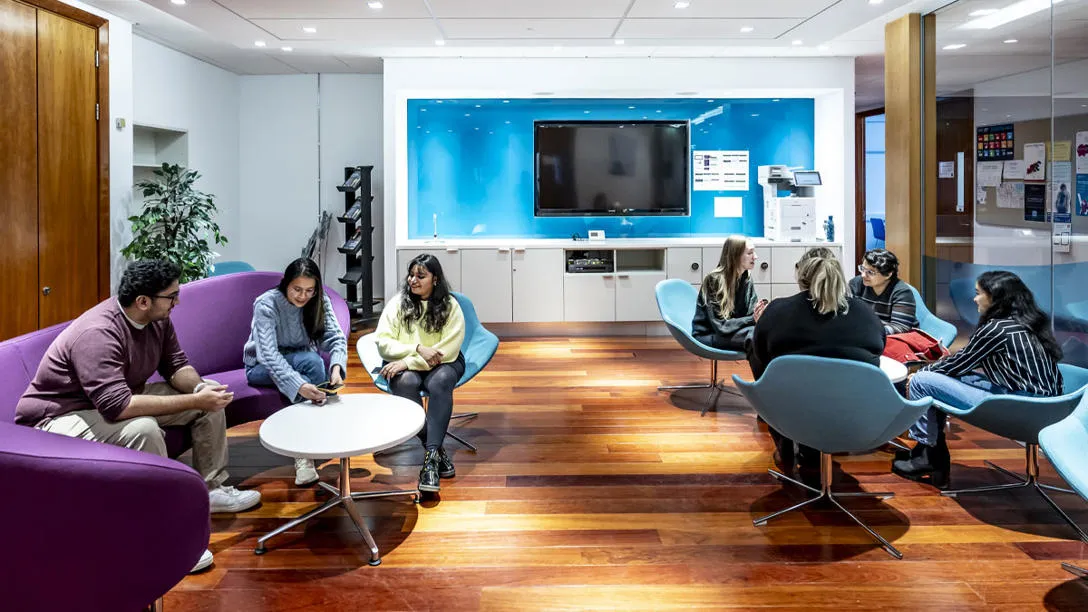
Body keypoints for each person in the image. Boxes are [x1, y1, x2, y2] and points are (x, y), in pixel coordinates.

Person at [16, 259, 261, 574]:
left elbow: (176, 365)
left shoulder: (157, 320)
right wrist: (194, 398)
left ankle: (213, 489)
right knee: (142, 429)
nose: (178, 302)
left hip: (113, 399)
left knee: (209, 395)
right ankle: (164, 530)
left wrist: (200, 390)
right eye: (171, 296)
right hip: (58, 417)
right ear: (144, 301)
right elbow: (117, 407)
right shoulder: (98, 333)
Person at [893, 271, 1063, 488]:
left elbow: (959, 363)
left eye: (978, 293)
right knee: (946, 377)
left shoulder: (996, 328)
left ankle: (927, 454)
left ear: (996, 297)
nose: (974, 299)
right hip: (1049, 408)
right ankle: (931, 455)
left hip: (1017, 406)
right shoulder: (1029, 323)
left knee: (923, 381)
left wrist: (920, 373)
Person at [748, 248, 886, 471]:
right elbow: (878, 351)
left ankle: (784, 439)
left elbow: (764, 357)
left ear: (801, 275)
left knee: (753, 346)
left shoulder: (778, 311)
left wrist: (762, 326)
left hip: (793, 408)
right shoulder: (865, 313)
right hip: (853, 410)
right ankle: (816, 450)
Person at [243, 257, 348, 486]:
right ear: (285, 284)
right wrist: (299, 385)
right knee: (312, 362)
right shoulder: (267, 303)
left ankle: (314, 438)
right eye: (297, 289)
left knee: (314, 362)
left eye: (309, 290)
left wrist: (337, 367)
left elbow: (335, 337)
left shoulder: (319, 301)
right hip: (260, 367)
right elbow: (267, 355)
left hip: (301, 360)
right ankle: (306, 452)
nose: (303, 296)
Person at [375, 254, 466, 494]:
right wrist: (416, 350)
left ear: (435, 279)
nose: (413, 280)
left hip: (444, 362)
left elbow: (448, 350)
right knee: (405, 381)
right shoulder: (397, 304)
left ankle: (429, 463)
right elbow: (383, 343)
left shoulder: (450, 305)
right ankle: (434, 453)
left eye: (421, 276)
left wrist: (408, 361)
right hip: (406, 362)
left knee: (441, 380)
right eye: (411, 274)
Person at [693, 236, 765, 351]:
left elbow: (752, 314)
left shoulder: (746, 278)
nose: (755, 257)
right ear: (735, 256)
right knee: (756, 337)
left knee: (769, 332)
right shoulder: (714, 280)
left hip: (733, 331)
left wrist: (762, 314)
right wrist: (753, 319)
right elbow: (721, 326)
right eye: (750, 253)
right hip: (708, 334)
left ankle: (778, 368)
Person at [849, 248, 918, 335]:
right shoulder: (856, 283)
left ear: (888, 274)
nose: (863, 275)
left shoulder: (902, 292)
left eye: (870, 272)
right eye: (862, 269)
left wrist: (868, 332)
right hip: (865, 334)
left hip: (891, 337)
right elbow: (846, 312)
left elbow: (900, 327)